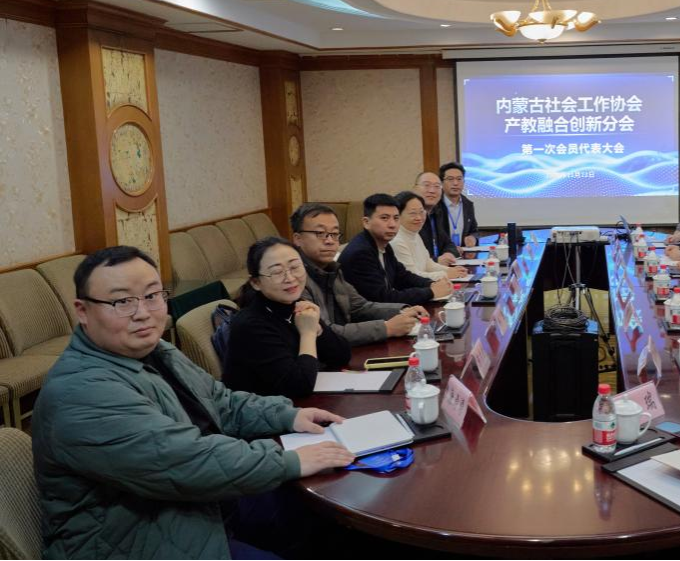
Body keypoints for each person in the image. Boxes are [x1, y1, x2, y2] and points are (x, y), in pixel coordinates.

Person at [33, 245, 355, 559]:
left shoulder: (158, 351)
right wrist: (289, 460)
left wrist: (288, 415)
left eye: (152, 296)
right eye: (122, 301)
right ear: (83, 311)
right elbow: (184, 460)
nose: (143, 313)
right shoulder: (80, 392)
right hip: (141, 537)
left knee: (333, 522)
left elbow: (221, 402)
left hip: (200, 503)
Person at [225, 237, 352, 398]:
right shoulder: (249, 325)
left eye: (295, 267)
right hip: (262, 410)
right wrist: (308, 334)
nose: (290, 278)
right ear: (256, 282)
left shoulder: (295, 304)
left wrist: (318, 330)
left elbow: (342, 356)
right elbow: (299, 386)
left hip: (300, 404)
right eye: (277, 272)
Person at [291, 202, 427, 346]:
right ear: (298, 238)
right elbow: (324, 333)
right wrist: (387, 328)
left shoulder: (332, 269)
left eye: (334, 234)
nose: (330, 241)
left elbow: (360, 307)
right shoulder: (294, 279)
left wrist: (402, 310)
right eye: (320, 233)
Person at [339, 193, 453, 305]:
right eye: (384, 218)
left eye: (396, 218)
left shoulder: (384, 245)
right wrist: (430, 292)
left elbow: (403, 277)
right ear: (366, 222)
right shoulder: (361, 253)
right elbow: (382, 298)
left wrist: (431, 284)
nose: (392, 224)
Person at [392, 191, 469, 281]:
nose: (419, 218)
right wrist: (446, 274)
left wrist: (450, 270)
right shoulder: (396, 240)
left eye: (421, 212)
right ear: (398, 215)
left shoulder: (414, 234)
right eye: (413, 213)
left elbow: (428, 264)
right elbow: (412, 276)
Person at [413, 171, 459, 264]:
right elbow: (410, 257)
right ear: (415, 189)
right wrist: (436, 261)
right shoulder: (410, 216)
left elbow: (448, 243)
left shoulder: (437, 212)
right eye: (426, 185)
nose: (432, 191)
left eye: (437, 186)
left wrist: (449, 254)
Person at [437, 161, 479, 248]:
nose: (455, 183)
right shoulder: (435, 205)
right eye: (450, 179)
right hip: (443, 254)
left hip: (463, 254)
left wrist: (473, 238)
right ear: (441, 183)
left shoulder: (468, 204)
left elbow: (474, 231)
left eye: (459, 179)